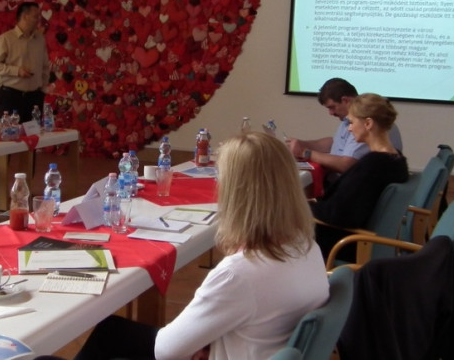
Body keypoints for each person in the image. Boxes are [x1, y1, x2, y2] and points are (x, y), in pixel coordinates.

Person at [69, 132, 329, 360]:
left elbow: (166, 350)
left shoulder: (239, 273)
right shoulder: (306, 246)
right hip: (258, 345)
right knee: (111, 331)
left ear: (235, 193)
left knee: (104, 338)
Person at [309, 93, 409, 260]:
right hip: (357, 237)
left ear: (368, 123)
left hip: (341, 243)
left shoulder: (374, 166)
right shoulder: (395, 159)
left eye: (351, 122)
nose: (349, 128)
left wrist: (301, 206)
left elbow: (339, 215)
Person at [0, 2, 50, 201]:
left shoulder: (40, 40)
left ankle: (24, 188)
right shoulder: (6, 39)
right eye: (35, 15)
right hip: (11, 95)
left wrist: (43, 87)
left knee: (31, 142)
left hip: (34, 97)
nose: (38, 19)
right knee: (5, 143)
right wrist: (16, 71)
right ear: (23, 16)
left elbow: (45, 66)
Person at [286, 78, 403, 183]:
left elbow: (346, 165)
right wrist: (303, 145)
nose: (330, 113)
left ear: (345, 100)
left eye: (332, 107)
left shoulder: (365, 126)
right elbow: (336, 143)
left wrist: (305, 153)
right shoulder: (353, 121)